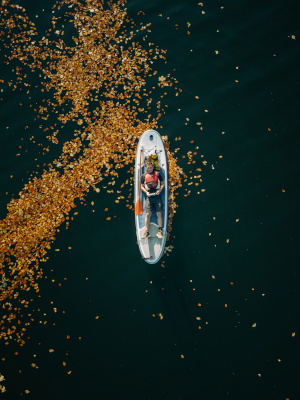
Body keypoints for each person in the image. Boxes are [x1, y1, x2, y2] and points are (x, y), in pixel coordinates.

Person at [140, 159, 165, 239]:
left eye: (151, 167)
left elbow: (162, 184)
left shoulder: (157, 174)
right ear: (146, 168)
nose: (150, 169)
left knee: (159, 213)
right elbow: (141, 187)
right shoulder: (143, 177)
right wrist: (146, 192)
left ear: (153, 167)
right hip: (148, 196)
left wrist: (160, 190)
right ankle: (146, 232)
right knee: (148, 214)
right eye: (148, 168)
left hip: (157, 196)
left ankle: (160, 231)